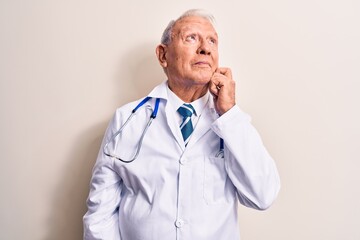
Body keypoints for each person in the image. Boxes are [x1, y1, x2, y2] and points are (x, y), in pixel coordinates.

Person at [83, 9, 280, 240]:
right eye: (191, 38)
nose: (205, 48)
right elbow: (100, 215)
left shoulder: (231, 123)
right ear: (163, 55)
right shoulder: (128, 120)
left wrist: (229, 114)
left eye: (212, 41)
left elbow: (263, 195)